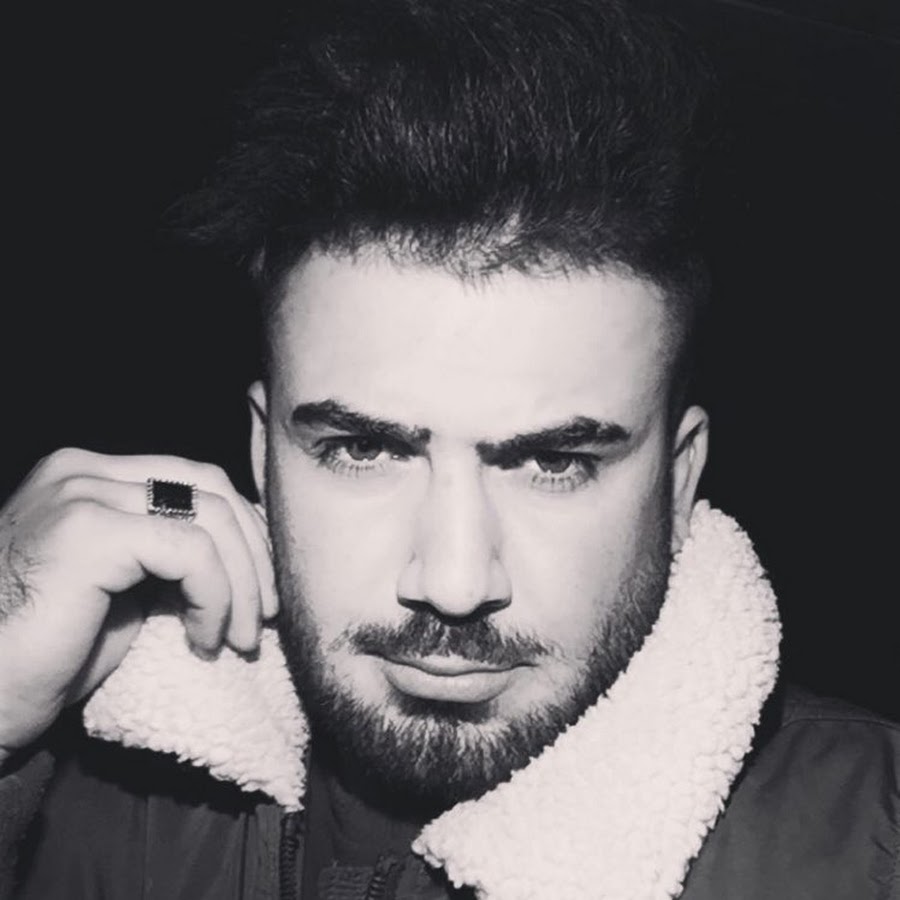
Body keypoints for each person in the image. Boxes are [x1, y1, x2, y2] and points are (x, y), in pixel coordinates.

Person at [0, 1, 896, 898]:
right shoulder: (63, 769)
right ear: (260, 452)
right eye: (363, 449)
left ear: (679, 478)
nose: (455, 584)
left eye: (554, 464)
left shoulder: (871, 846)